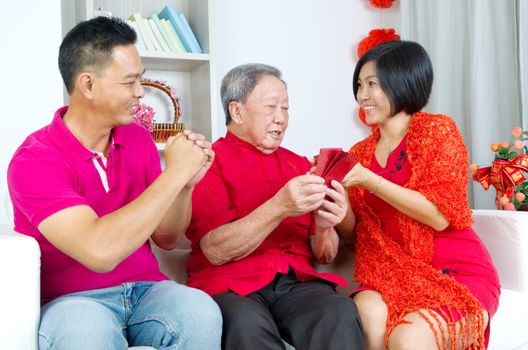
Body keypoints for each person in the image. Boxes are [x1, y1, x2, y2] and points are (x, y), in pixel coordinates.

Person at [7, 16, 222, 350]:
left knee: (200, 311)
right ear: (88, 85)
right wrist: (174, 174)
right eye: (130, 82)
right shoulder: (35, 160)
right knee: (84, 332)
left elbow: (167, 238)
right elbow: (99, 251)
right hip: (73, 301)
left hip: (147, 291)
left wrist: (186, 185)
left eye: (141, 80)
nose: (140, 93)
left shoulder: (138, 139)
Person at [185, 63, 365, 349]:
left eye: (286, 108)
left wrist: (324, 226)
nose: (281, 118)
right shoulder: (208, 161)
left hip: (295, 283)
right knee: (246, 326)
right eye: (271, 107)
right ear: (237, 111)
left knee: (338, 312)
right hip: (231, 286)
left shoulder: (299, 164)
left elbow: (325, 254)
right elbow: (215, 251)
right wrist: (280, 206)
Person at [339, 40, 500, 350]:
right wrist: (335, 205)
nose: (362, 95)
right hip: (392, 273)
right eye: (360, 85)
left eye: (372, 84)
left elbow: (439, 217)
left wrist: (371, 181)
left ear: (402, 82)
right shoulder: (359, 155)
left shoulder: (437, 132)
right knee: (366, 311)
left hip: (458, 271)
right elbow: (357, 235)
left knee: (407, 338)